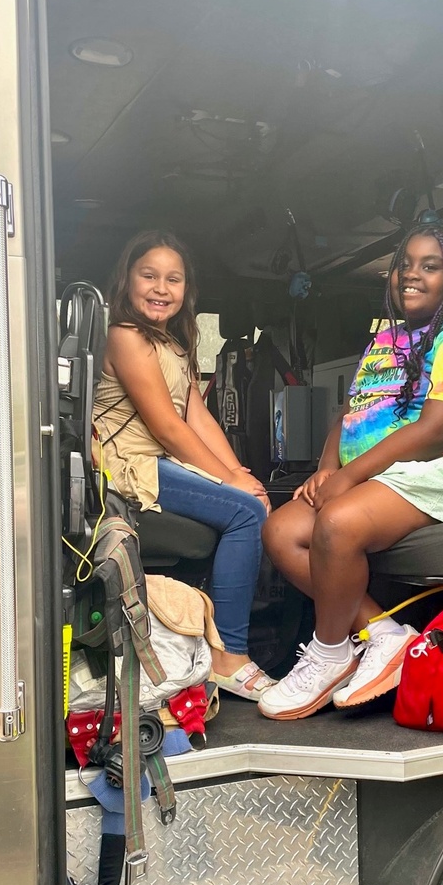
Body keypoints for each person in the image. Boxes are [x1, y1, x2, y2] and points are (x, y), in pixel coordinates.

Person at [259, 222, 443, 720]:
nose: (411, 275)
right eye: (404, 264)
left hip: (439, 473)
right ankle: (382, 635)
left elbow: (433, 431)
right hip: (376, 474)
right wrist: (327, 471)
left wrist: (348, 480)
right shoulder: (385, 338)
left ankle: (329, 653)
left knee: (337, 522)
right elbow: (352, 413)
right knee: (281, 530)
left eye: (429, 267)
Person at [94, 230, 274, 700]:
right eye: (148, 275)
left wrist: (241, 475)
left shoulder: (172, 344)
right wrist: (233, 484)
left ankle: (217, 640)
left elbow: (197, 415)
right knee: (245, 514)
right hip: (131, 465)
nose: (160, 288)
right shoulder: (125, 335)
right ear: (127, 280)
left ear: (185, 290)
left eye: (173, 280)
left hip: (160, 457)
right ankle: (228, 655)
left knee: (249, 500)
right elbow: (166, 427)